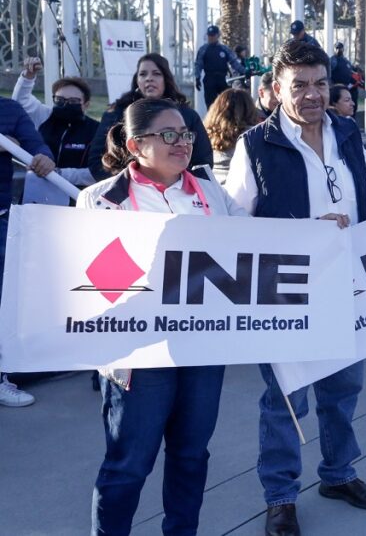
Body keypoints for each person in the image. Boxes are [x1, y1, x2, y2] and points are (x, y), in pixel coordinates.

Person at [225, 40, 366, 536]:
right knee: (287, 399)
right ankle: (281, 496)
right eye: (300, 85)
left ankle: (338, 474)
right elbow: (234, 225)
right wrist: (307, 232)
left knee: (343, 388)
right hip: (287, 291)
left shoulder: (347, 130)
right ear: (276, 90)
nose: (312, 94)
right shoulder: (256, 145)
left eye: (320, 83)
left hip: (348, 284)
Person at [78, 97, 247, 534]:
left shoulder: (210, 192)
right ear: (135, 145)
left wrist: (316, 231)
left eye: (187, 134)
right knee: (129, 465)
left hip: (202, 348)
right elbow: (94, 285)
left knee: (191, 456)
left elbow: (255, 244)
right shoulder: (100, 200)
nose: (182, 143)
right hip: (139, 355)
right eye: (168, 135)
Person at [0, 90, 55, 408]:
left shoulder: (9, 109)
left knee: (4, 301)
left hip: (3, 220)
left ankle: (2, 378)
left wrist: (42, 157)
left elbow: (37, 147)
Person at [88, 53, 213, 182]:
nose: (149, 78)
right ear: (136, 80)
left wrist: (175, 186)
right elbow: (96, 162)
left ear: (166, 79)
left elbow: (203, 162)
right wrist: (131, 186)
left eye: (156, 74)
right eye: (143, 74)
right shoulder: (116, 113)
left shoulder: (188, 115)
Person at [13, 57, 99, 196]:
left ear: (86, 104)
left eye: (73, 101)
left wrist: (58, 173)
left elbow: (97, 172)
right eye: (60, 100)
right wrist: (28, 76)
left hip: (76, 197)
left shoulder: (97, 130)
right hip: (35, 192)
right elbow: (19, 102)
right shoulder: (44, 115)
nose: (65, 105)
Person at [204, 88, 261, 184]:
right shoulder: (256, 135)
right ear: (250, 109)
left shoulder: (206, 134)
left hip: (212, 189)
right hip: (243, 190)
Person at [194, 25, 245, 109]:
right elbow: (198, 64)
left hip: (222, 79)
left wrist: (244, 71)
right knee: (211, 105)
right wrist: (197, 77)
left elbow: (234, 62)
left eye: (213, 35)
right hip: (209, 79)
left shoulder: (224, 49)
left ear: (218, 35)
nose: (211, 38)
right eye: (209, 35)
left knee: (227, 103)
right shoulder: (203, 49)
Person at [330, 42, 357, 112]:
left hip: (348, 88)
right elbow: (328, 74)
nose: (339, 50)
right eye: (337, 48)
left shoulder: (346, 61)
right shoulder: (332, 60)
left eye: (340, 48)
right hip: (337, 89)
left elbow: (351, 72)